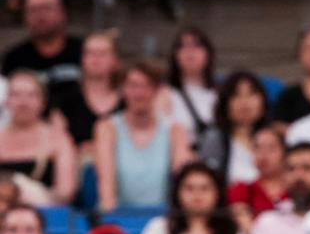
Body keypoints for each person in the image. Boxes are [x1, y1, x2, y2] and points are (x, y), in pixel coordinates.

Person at [94, 61, 190, 211]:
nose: (139, 93)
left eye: (146, 86)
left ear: (157, 90)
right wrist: (112, 217)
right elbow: (106, 185)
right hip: (118, 214)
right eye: (133, 86)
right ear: (122, 89)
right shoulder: (107, 128)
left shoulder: (175, 130)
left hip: (163, 217)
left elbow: (182, 178)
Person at [0, 70, 77, 205]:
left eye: (31, 95)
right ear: (6, 101)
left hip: (44, 211)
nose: (23, 102)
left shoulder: (59, 139)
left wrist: (28, 193)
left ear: (43, 102)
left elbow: (66, 193)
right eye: (16, 95)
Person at [1, 0, 82, 114]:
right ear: (25, 17)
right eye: (33, 10)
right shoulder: (13, 57)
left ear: (62, 12)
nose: (40, 15)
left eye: (47, 7)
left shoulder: (84, 51)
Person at [136, 161, 243, 234]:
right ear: (177, 193)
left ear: (217, 194)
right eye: (189, 188)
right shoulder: (159, 228)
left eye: (204, 188)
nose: (197, 194)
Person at [54, 30, 122, 155]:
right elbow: (56, 143)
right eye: (90, 53)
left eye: (102, 53)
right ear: (82, 59)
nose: (95, 58)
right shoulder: (66, 100)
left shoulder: (129, 99)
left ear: (115, 60)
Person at [198, 70, 269, 187]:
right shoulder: (215, 139)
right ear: (225, 103)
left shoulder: (274, 137)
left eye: (251, 94)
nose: (244, 102)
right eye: (236, 95)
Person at [247, 141, 310, 234]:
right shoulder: (267, 225)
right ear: (283, 176)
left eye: (307, 168)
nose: (299, 176)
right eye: (291, 169)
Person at [163, 26, 217, 148]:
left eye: (196, 45)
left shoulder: (220, 95)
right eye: (183, 46)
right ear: (175, 55)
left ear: (208, 54)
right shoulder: (163, 94)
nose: (190, 51)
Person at [228, 125, 288, 233]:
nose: (263, 154)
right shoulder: (241, 189)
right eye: (258, 148)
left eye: (271, 148)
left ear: (284, 152)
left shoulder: (296, 190)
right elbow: (247, 227)